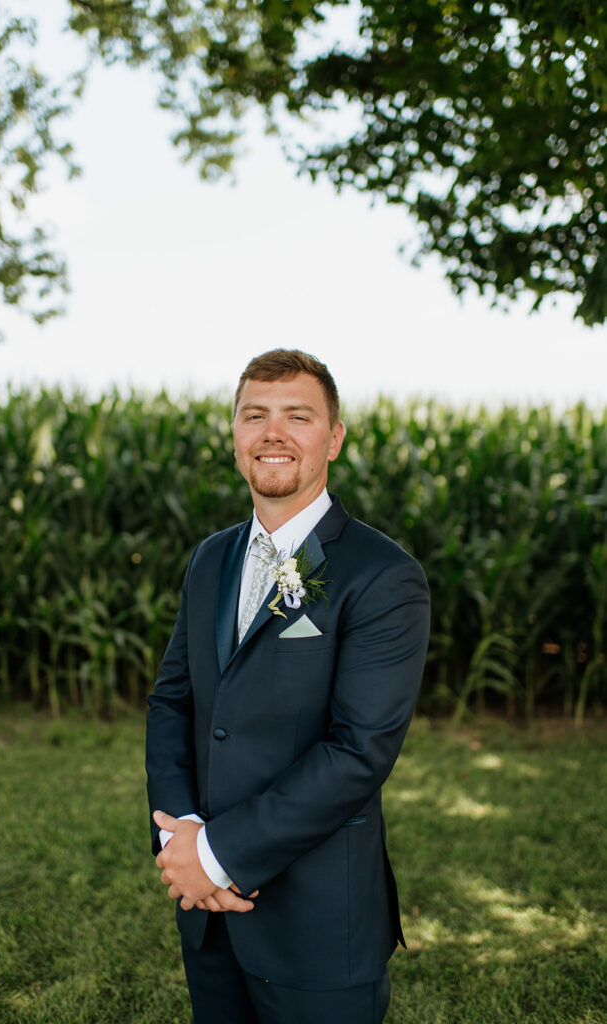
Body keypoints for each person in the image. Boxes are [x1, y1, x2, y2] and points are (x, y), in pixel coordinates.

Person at [146, 349, 430, 1024]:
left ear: (333, 438)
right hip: (207, 915)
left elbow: (359, 750)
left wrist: (217, 856)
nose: (272, 432)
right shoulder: (210, 557)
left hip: (317, 925)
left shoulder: (382, 575)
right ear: (236, 434)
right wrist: (180, 835)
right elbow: (173, 701)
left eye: (297, 416)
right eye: (255, 415)